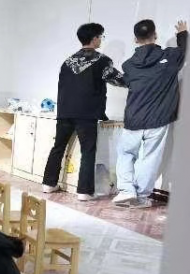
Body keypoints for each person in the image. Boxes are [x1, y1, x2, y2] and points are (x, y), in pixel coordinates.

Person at [42, 23, 126, 201]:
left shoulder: (68, 61)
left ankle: (48, 184)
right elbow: (119, 80)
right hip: (87, 113)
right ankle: (84, 191)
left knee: (58, 147)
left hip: (65, 111)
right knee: (88, 151)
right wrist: (138, 80)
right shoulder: (102, 60)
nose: (101, 40)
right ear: (95, 38)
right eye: (101, 36)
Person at [114, 20, 187, 208]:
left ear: (135, 39)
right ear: (155, 35)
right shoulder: (170, 58)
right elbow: (184, 50)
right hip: (158, 119)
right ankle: (141, 197)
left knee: (126, 154)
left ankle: (126, 190)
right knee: (150, 158)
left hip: (134, 118)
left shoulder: (129, 65)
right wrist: (182, 33)